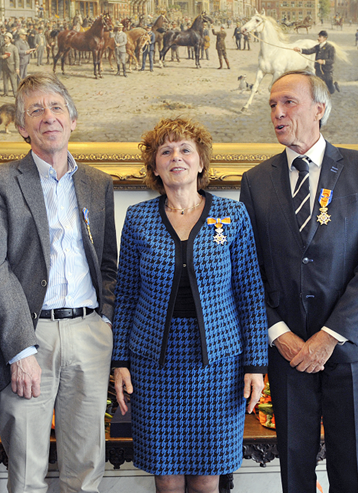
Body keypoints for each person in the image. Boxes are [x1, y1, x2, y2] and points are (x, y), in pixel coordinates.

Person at [239, 70, 358, 493]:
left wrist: (329, 336)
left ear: (319, 109)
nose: (277, 112)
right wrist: (280, 335)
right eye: (272, 105)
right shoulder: (255, 180)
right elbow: (247, 271)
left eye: (288, 102)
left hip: (348, 348)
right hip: (287, 352)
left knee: (350, 470)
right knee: (295, 471)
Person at [0, 73, 117, 493]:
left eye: (57, 108)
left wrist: (105, 322)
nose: (48, 117)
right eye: (35, 110)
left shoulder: (97, 182)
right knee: (26, 473)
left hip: (89, 333)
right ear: (22, 127)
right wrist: (20, 349)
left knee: (86, 471)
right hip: (29, 337)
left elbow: (108, 264)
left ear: (73, 120)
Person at [112, 117, 268, 493]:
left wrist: (255, 365)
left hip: (219, 366)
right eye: (165, 151)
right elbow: (126, 295)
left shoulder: (232, 216)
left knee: (207, 478)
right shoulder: (138, 218)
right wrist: (119, 361)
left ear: (201, 163)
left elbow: (251, 295)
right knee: (166, 479)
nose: (176, 157)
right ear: (154, 167)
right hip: (153, 366)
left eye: (185, 150)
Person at [0, 32, 19, 97]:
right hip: (4, 66)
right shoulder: (2, 47)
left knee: (13, 81)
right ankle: (5, 92)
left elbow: (17, 58)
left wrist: (17, 68)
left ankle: (15, 93)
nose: (4, 39)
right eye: (4, 38)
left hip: (11, 66)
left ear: (10, 39)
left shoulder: (14, 47)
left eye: (6, 38)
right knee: (5, 80)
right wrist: (2, 56)